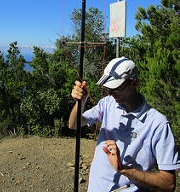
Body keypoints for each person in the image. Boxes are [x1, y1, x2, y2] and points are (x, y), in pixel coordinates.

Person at [69, 56, 179, 192]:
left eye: (116, 88)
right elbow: (74, 125)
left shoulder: (158, 124)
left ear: (134, 83)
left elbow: (168, 184)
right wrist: (80, 102)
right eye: (108, 87)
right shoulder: (107, 103)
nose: (110, 92)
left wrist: (123, 169)